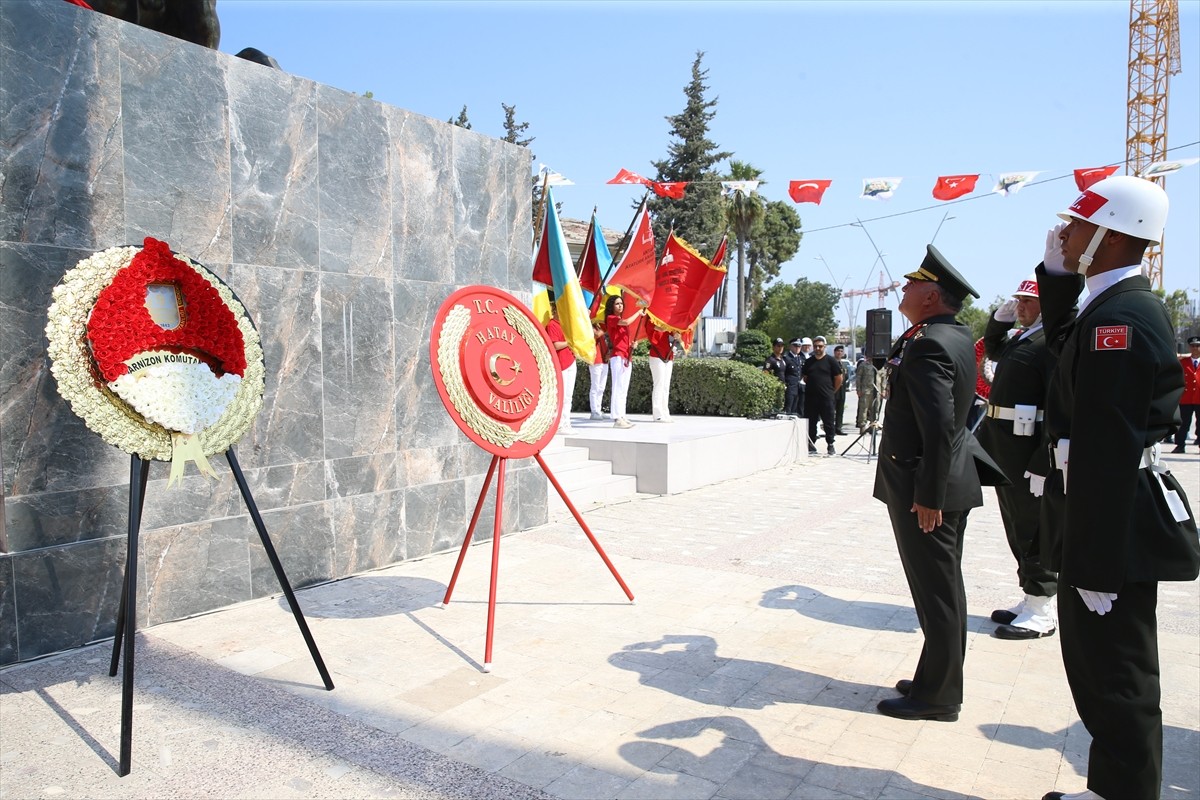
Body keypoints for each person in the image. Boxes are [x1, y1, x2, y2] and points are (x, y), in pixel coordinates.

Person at [1036, 175, 1198, 800]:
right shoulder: (1105, 306)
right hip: (1104, 511)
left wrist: (1097, 561)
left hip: (1115, 519)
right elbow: (1064, 351)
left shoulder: (1123, 316)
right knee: (1097, 668)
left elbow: (1109, 444)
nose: (1066, 233)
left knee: (1117, 673)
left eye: (1078, 225)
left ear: (1110, 235)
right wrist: (1057, 279)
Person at [873, 244, 987, 723]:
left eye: (914, 282)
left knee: (937, 592)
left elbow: (939, 427)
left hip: (926, 487)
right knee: (944, 588)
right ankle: (937, 678)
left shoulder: (931, 345)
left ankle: (938, 696)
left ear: (932, 296)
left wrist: (928, 496)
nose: (904, 287)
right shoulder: (951, 335)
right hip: (942, 479)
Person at [977, 274, 1058, 640]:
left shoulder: (1051, 341)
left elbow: (1058, 405)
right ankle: (1030, 596)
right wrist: (998, 321)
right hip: (1006, 446)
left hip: (1028, 448)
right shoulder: (1024, 337)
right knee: (1015, 523)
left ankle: (1042, 609)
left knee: (1032, 526)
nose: (1020, 306)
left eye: (1027, 301)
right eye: (1019, 300)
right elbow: (993, 350)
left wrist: (1044, 458)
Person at [801, 336, 843, 456]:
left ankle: (830, 444)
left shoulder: (831, 361)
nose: (818, 348)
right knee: (811, 422)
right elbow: (805, 377)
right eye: (815, 346)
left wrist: (831, 391)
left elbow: (839, 378)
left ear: (824, 347)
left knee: (828, 422)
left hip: (826, 397)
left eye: (820, 346)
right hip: (811, 398)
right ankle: (811, 444)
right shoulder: (809, 362)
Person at [605, 294, 641, 429]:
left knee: (624, 388)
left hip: (626, 355)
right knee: (617, 386)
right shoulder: (611, 318)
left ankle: (622, 415)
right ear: (612, 306)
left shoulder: (620, 321)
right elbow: (626, 322)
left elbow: (624, 339)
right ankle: (616, 417)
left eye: (621, 303)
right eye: (617, 304)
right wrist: (638, 312)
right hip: (618, 356)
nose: (620, 306)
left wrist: (632, 345)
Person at [543, 297, 577, 434]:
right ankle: (559, 425)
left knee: (568, 396)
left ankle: (566, 422)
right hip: (560, 364)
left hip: (570, 361)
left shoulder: (566, 325)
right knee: (561, 395)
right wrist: (570, 342)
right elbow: (555, 345)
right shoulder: (552, 325)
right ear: (555, 310)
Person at [1172, 335, 1200, 453]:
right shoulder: (1183, 362)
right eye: (1192, 346)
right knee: (1183, 423)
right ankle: (1180, 445)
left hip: (1199, 398)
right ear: (1189, 347)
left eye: (1197, 346)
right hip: (1186, 398)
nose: (1195, 348)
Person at [648, 325, 676, 422]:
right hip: (657, 355)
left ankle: (665, 412)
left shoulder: (665, 322)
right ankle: (658, 414)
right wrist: (670, 327)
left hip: (668, 355)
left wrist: (677, 333)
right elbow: (661, 328)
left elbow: (674, 332)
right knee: (659, 385)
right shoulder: (650, 321)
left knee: (665, 387)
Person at [588, 319, 610, 420]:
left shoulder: (600, 325)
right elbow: (596, 335)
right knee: (595, 386)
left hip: (604, 359)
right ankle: (594, 411)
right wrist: (606, 327)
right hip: (595, 359)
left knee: (601, 387)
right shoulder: (588, 325)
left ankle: (598, 409)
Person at [855, 354, 879, 432]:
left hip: (876, 391)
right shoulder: (863, 365)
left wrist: (883, 390)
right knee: (863, 409)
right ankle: (862, 426)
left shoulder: (880, 365)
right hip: (865, 390)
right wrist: (858, 389)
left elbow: (883, 378)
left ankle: (873, 426)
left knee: (875, 409)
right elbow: (858, 377)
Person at [783, 339, 805, 415]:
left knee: (795, 409)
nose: (797, 348)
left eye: (799, 346)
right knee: (788, 408)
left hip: (798, 386)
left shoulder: (800, 358)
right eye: (795, 346)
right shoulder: (786, 358)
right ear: (791, 346)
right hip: (790, 386)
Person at [833, 344, 852, 434]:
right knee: (831, 411)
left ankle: (838, 428)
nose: (839, 353)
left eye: (841, 351)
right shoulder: (832, 363)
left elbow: (846, 376)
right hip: (833, 390)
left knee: (840, 410)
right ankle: (831, 429)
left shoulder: (843, 364)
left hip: (842, 391)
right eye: (838, 351)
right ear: (834, 352)